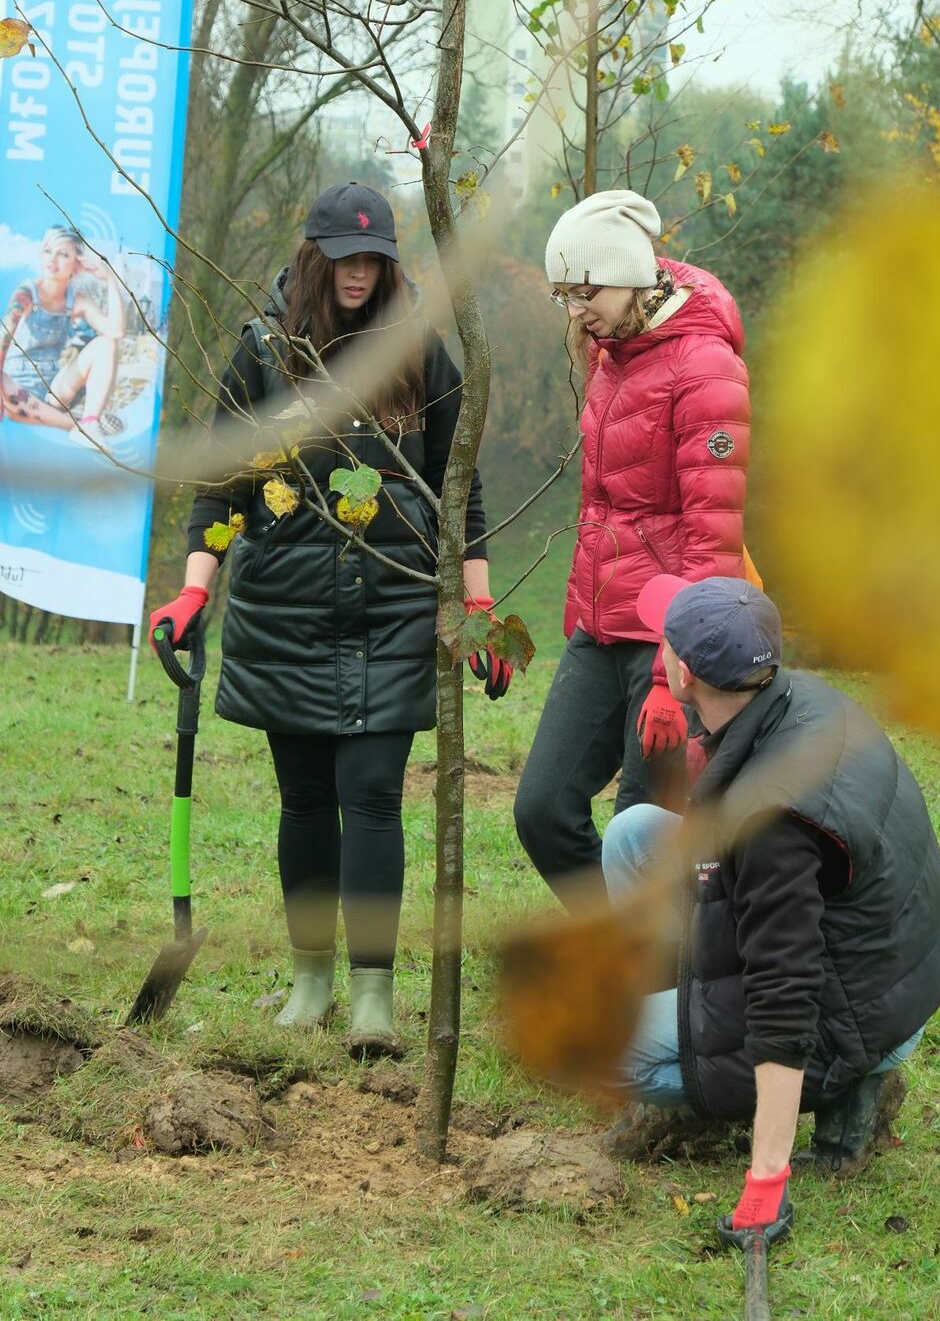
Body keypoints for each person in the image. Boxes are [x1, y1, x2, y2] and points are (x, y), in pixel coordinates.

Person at [147, 183, 512, 1055]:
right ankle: (311, 983)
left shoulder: (420, 353)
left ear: (390, 261)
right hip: (287, 608)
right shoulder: (264, 350)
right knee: (306, 801)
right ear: (314, 256)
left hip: (393, 604)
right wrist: (196, 588)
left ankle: (373, 1000)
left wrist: (478, 604)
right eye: (344, 257)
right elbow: (221, 485)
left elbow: (464, 491)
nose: (359, 272)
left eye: (374, 258)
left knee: (374, 797)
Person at [601, 573, 940, 1246]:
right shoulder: (800, 699)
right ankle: (684, 1024)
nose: (660, 653)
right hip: (888, 968)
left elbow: (784, 995)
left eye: (666, 645)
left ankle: (841, 1088)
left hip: (850, 1019)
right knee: (633, 837)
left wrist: (766, 1185)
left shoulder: (771, 821)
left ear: (687, 674)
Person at [514, 188, 751, 898]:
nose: (575, 310)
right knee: (542, 808)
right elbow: (602, 503)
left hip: (670, 640)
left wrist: (670, 677)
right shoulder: (611, 355)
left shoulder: (704, 366)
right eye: (564, 296)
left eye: (584, 291)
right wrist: (579, 608)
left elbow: (712, 538)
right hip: (600, 626)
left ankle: (660, 994)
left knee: (640, 833)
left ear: (628, 275)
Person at [0, 226, 126, 440]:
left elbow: (115, 331)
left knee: (106, 344)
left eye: (63, 254)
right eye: (48, 251)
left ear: (76, 264)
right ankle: (81, 427)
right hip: (15, 389)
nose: (53, 259)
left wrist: (111, 280)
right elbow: (4, 335)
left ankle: (88, 422)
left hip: (53, 390)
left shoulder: (76, 300)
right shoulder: (27, 292)